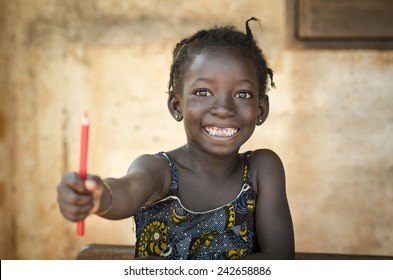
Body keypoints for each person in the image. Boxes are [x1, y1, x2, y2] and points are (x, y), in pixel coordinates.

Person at [57, 17, 294, 260]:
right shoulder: (158, 169)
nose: (223, 108)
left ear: (261, 109)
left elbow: (280, 259)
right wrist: (99, 197)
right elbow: (128, 189)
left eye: (242, 94)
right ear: (177, 105)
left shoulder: (262, 169)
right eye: (203, 92)